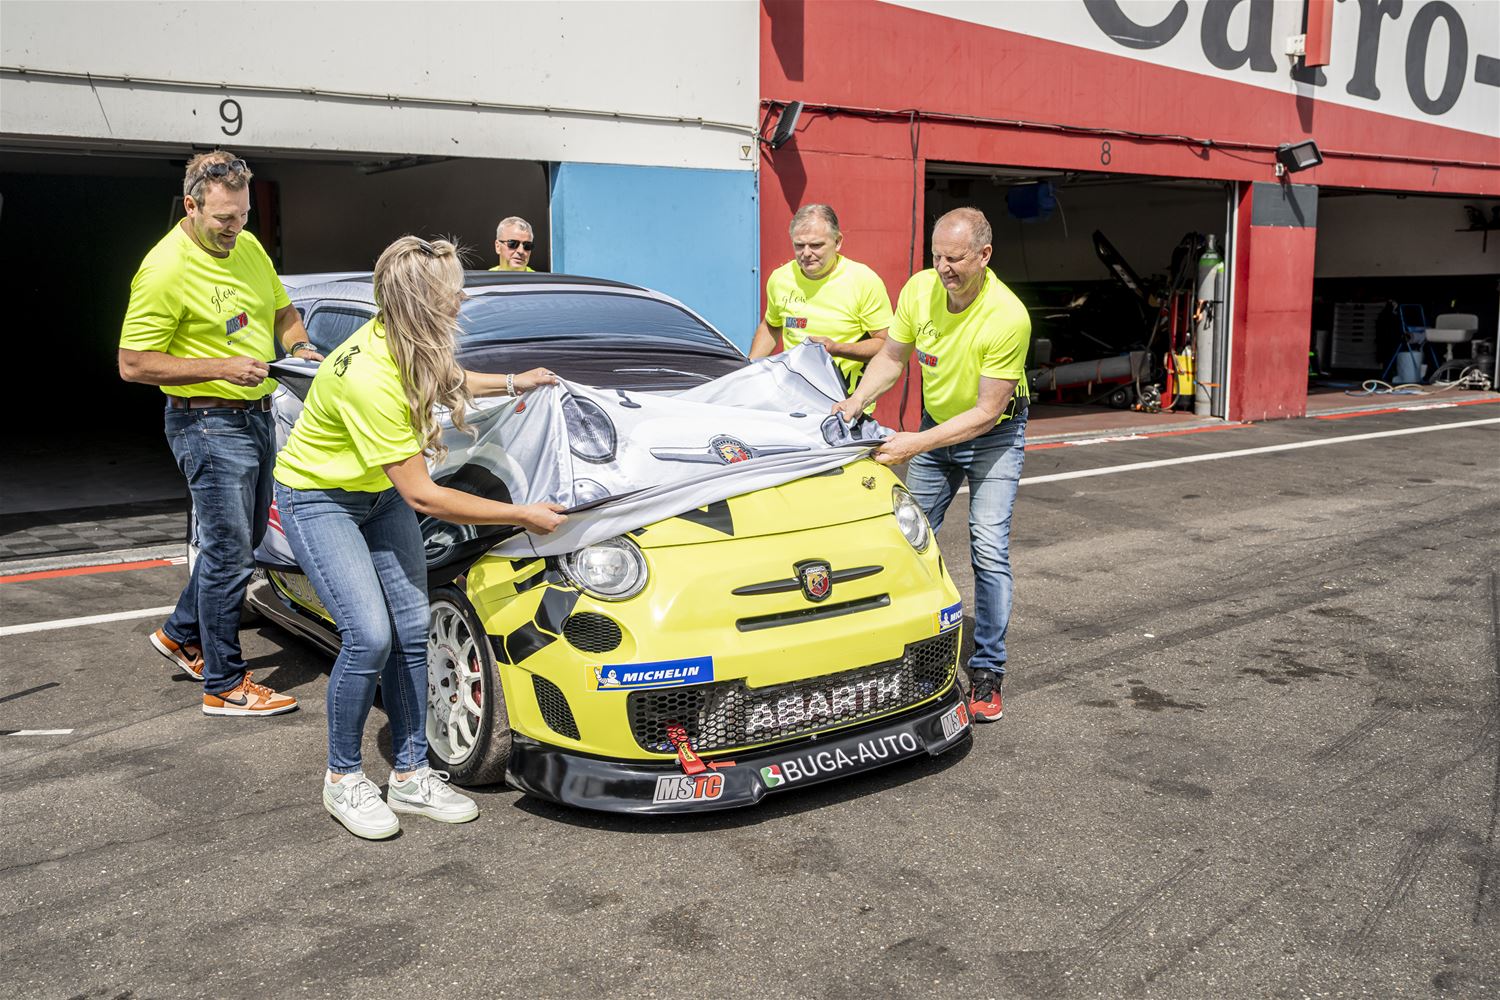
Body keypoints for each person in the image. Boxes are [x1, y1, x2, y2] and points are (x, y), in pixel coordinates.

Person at [273, 236, 567, 840]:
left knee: (411, 630)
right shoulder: (371, 376)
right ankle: (342, 778)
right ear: (421, 302)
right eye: (452, 291)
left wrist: (518, 382)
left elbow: (451, 379)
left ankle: (410, 774)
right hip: (320, 499)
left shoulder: (408, 339)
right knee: (369, 637)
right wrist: (522, 515)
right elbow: (425, 496)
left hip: (376, 496)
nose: (461, 299)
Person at [119, 149, 322, 717]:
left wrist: (300, 345)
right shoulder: (165, 268)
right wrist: (221, 367)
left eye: (244, 214)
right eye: (224, 218)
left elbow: (283, 312)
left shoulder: (249, 247)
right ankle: (224, 683)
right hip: (205, 421)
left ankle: (180, 634)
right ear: (191, 205)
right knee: (231, 554)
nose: (236, 227)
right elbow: (132, 363)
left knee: (240, 542)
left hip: (254, 415)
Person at [832, 207, 1030, 723]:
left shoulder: (1007, 316)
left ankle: (987, 670)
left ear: (984, 255)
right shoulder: (920, 290)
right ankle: (898, 647)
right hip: (936, 423)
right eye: (937, 256)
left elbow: (986, 413)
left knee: (988, 547)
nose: (943, 268)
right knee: (905, 538)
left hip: (994, 433)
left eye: (955, 258)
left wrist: (914, 444)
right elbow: (891, 357)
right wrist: (857, 401)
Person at [750, 204, 892, 393]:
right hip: (792, 394)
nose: (806, 253)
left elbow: (887, 345)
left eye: (816, 245)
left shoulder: (864, 280)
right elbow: (772, 325)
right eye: (799, 245)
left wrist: (836, 348)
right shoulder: (780, 278)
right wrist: (749, 369)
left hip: (846, 399)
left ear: (838, 242)